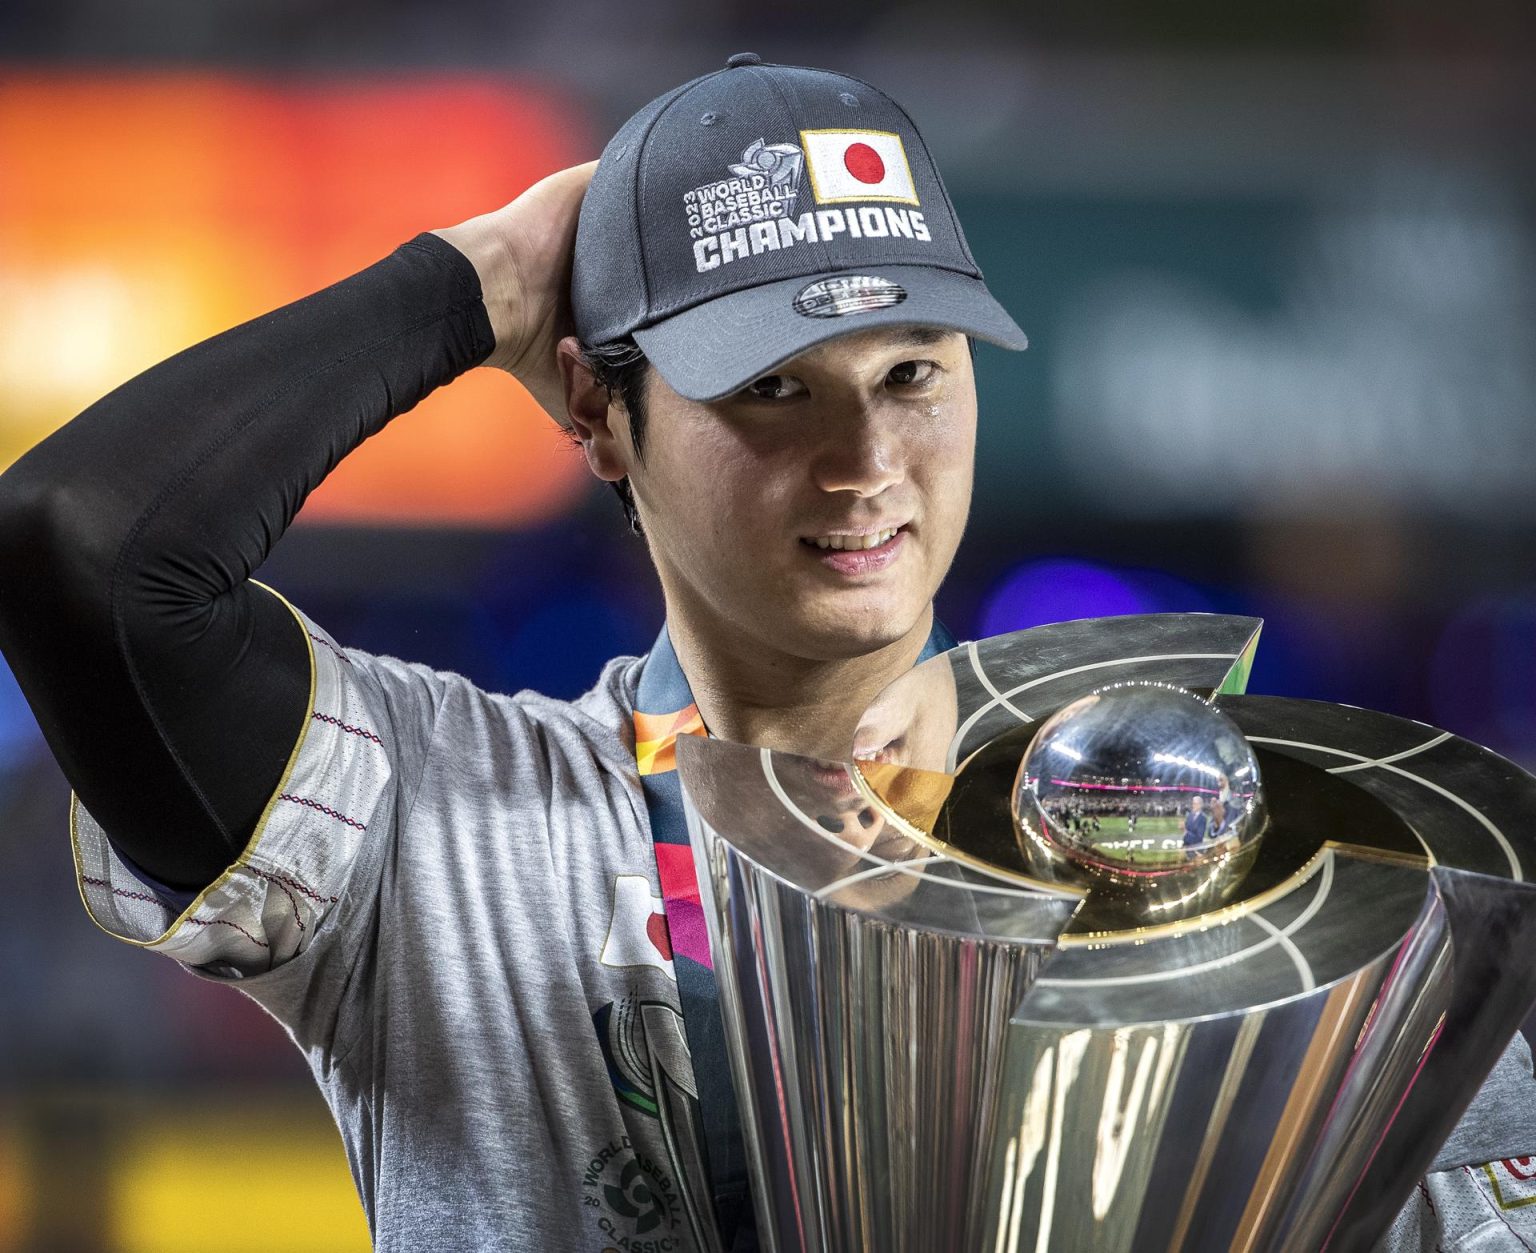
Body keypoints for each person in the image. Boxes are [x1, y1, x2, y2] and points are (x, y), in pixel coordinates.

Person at [1, 52, 1534, 1253]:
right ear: (601, 413)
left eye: (913, 373)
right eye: (776, 391)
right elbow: (83, 547)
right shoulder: (437, 824)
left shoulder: (1200, 850)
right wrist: (487, 281)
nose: (868, 461)